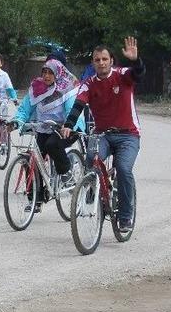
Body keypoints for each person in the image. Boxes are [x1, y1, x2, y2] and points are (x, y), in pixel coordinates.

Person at [61, 37, 143, 233]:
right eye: (97, 60)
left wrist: (135, 60)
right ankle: (95, 188)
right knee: (91, 158)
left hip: (128, 135)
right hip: (102, 134)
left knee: (123, 169)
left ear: (111, 61)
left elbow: (138, 73)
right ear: (93, 63)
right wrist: (68, 125)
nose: (101, 63)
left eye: (104, 59)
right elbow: (78, 105)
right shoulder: (88, 83)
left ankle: (125, 216)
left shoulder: (123, 75)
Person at [10, 59, 84, 212]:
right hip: (43, 128)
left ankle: (66, 173)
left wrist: (67, 125)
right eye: (44, 72)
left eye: (50, 73)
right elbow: (25, 109)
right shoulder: (37, 87)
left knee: (52, 144)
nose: (47, 76)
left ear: (58, 74)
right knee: (33, 160)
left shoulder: (67, 88)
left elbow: (72, 110)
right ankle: (35, 200)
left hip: (67, 128)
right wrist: (17, 122)